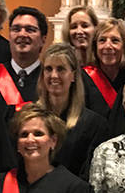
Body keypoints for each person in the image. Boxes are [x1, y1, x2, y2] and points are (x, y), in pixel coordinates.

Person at [36, 43, 108, 177]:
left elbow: (89, 175)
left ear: (73, 75)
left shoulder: (93, 124)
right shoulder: (30, 118)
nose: (54, 75)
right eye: (48, 69)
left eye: (61, 69)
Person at [86, 19, 125, 130]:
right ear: (95, 47)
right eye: (102, 40)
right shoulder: (83, 80)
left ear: (124, 47)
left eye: (115, 40)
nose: (108, 46)